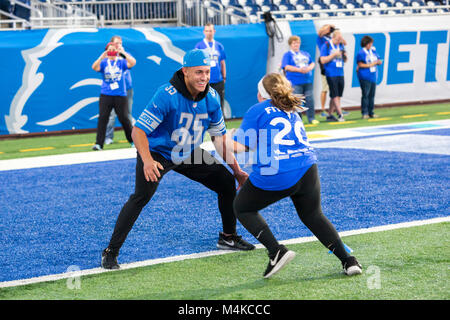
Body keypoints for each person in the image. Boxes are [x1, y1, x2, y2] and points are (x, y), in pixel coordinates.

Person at [101, 49, 255, 270]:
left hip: (188, 151)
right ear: (185, 72)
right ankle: (111, 251)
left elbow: (219, 139)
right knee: (140, 197)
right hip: (159, 153)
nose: (204, 77)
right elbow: (138, 132)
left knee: (226, 181)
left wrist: (237, 170)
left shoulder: (211, 97)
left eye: (207, 72)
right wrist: (147, 160)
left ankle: (228, 237)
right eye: (199, 72)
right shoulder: (167, 94)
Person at [231, 73, 362, 278]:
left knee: (242, 207)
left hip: (278, 171)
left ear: (262, 93)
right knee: (313, 215)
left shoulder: (257, 109)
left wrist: (220, 138)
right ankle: (349, 261)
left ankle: (276, 251)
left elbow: (240, 147)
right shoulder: (292, 107)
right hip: (308, 167)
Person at [91, 42, 136, 150]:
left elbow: (133, 63)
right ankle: (99, 144)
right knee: (103, 118)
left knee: (124, 118)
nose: (112, 52)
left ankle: (133, 141)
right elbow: (94, 67)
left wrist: (122, 52)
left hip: (120, 95)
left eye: (113, 50)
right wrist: (102, 56)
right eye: (109, 50)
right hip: (106, 94)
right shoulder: (104, 62)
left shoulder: (120, 62)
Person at [281, 35, 318, 125]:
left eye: (297, 43)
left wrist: (309, 68)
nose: (296, 45)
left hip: (307, 80)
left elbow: (312, 63)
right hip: (295, 81)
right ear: (290, 44)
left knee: (310, 100)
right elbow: (286, 66)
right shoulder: (287, 55)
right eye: (294, 43)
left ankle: (311, 118)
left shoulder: (305, 53)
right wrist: (299, 70)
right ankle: (298, 120)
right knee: (297, 102)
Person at [104, 35, 134, 145]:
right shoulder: (108, 57)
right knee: (111, 115)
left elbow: (132, 64)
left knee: (128, 114)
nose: (119, 45)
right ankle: (108, 137)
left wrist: (123, 53)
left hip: (127, 89)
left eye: (120, 43)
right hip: (113, 91)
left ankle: (132, 138)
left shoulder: (125, 55)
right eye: (116, 43)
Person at [195, 23, 227, 116]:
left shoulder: (219, 46)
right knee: (204, 103)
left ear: (214, 31)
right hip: (204, 80)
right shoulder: (199, 46)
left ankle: (221, 123)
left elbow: (222, 62)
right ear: (204, 32)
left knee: (219, 103)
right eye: (207, 30)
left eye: (211, 30)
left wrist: (224, 77)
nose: (209, 33)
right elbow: (196, 64)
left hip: (218, 80)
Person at [317, 25, 348, 119]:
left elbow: (345, 59)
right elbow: (322, 60)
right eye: (338, 39)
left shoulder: (341, 45)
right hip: (330, 72)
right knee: (334, 94)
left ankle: (330, 114)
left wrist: (344, 55)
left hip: (340, 72)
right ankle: (340, 114)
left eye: (340, 38)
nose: (339, 40)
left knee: (337, 94)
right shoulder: (326, 44)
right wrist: (333, 55)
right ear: (333, 37)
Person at [356, 36, 382, 119]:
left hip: (373, 75)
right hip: (365, 75)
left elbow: (378, 59)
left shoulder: (373, 51)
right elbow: (360, 65)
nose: (371, 45)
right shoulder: (361, 53)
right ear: (366, 44)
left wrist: (379, 62)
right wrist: (372, 64)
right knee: (365, 94)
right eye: (370, 43)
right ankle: (364, 112)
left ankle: (371, 112)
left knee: (372, 95)